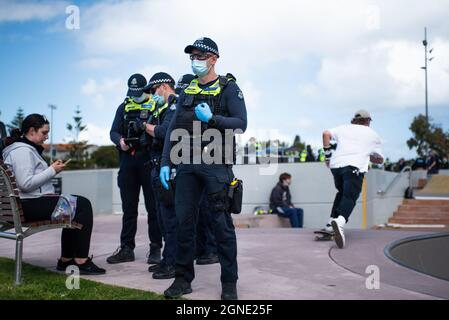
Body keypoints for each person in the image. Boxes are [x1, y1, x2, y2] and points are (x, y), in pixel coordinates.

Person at [159, 37, 247, 300]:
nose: (195, 60)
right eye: (192, 56)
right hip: (186, 164)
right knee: (185, 224)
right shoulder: (187, 91)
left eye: (200, 56)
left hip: (216, 164)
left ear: (213, 59)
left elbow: (241, 123)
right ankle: (183, 279)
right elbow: (173, 128)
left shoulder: (229, 88)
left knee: (221, 226)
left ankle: (229, 284)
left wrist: (213, 119)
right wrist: (166, 162)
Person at [2, 114, 105, 274]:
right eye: (44, 132)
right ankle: (81, 261)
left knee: (75, 207)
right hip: (28, 205)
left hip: (24, 204)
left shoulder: (20, 150)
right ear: (31, 131)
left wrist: (50, 170)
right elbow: (26, 184)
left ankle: (66, 261)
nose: (47, 137)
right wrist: (51, 170)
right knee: (83, 205)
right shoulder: (22, 151)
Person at [107, 74, 162, 265]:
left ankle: (156, 247)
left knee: (153, 208)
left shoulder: (155, 105)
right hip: (128, 161)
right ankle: (126, 248)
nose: (136, 95)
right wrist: (120, 141)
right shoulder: (123, 107)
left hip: (148, 160)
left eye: (139, 92)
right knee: (129, 209)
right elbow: (113, 131)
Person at [322, 109, 383, 249]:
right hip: (354, 166)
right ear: (367, 121)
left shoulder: (343, 128)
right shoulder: (373, 134)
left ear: (354, 120)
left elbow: (325, 134)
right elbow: (379, 159)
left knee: (342, 192)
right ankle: (340, 222)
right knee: (350, 196)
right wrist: (371, 156)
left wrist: (327, 156)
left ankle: (330, 223)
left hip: (336, 166)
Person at [141, 72, 178, 279]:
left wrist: (146, 127)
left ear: (164, 86)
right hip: (155, 166)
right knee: (162, 218)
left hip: (169, 168)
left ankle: (172, 263)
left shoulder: (175, 105)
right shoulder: (159, 108)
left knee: (170, 219)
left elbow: (165, 133)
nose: (152, 95)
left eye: (153, 90)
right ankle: (167, 259)